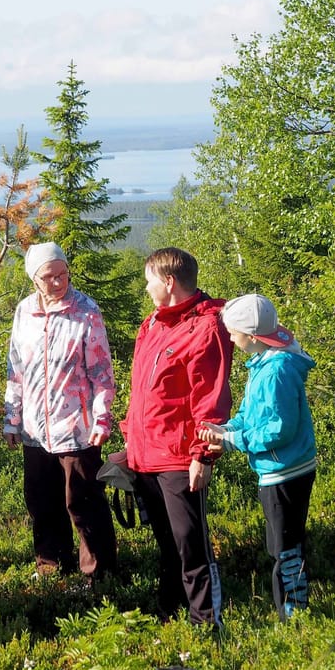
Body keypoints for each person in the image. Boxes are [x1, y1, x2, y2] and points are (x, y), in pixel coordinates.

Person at [120, 248, 234, 625]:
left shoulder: (206, 327)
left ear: (168, 282)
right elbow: (142, 390)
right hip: (146, 451)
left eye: (149, 279)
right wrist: (129, 438)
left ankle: (207, 621)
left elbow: (211, 397)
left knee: (191, 543)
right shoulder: (151, 324)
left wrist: (203, 454)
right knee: (167, 542)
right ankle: (170, 612)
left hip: (179, 456)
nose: (146, 286)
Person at [197, 294, 317, 621]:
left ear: (251, 336)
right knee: (282, 543)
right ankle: (294, 609)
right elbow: (251, 414)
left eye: (233, 333)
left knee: (285, 549)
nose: (231, 339)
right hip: (278, 469)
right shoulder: (264, 362)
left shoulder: (277, 371)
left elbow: (279, 430)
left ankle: (294, 615)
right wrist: (223, 429)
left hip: (285, 472)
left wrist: (234, 441)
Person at [3, 242, 118, 581]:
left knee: (83, 504)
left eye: (62, 274)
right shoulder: (24, 311)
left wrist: (101, 418)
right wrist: (12, 420)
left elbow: (101, 373)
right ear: (33, 279)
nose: (57, 283)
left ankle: (98, 574)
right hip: (35, 429)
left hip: (77, 428)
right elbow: (16, 369)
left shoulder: (86, 310)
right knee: (42, 503)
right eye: (48, 277)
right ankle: (50, 567)